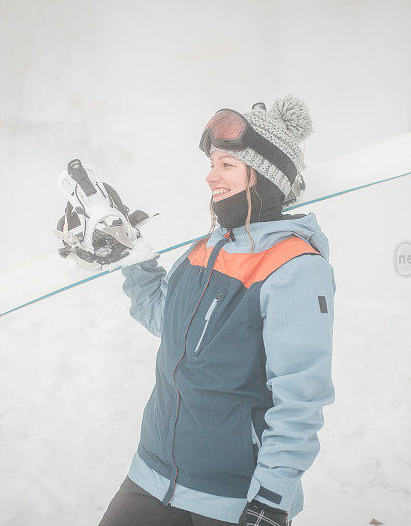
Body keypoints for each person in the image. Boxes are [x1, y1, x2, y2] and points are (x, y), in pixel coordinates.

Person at [98, 95, 335, 526]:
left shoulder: (294, 266)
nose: (210, 177)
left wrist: (270, 499)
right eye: (211, 164)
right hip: (151, 473)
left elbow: (301, 396)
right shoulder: (207, 247)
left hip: (231, 497)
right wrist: (130, 256)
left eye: (227, 165)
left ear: (262, 176)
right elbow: (165, 320)